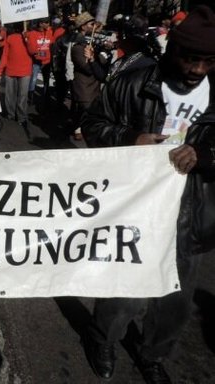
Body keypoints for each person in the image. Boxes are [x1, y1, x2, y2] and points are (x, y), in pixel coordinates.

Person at [80, 6, 215, 383]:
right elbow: (93, 124)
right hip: (138, 206)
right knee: (126, 286)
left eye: (208, 62)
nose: (198, 70)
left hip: (191, 212)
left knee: (176, 299)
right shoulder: (132, 83)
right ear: (173, 50)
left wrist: (204, 155)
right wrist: (130, 138)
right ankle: (103, 338)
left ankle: (153, 354)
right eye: (191, 59)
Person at [71, 12, 109, 139]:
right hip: (84, 86)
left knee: (89, 111)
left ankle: (81, 127)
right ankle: (79, 129)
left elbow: (101, 64)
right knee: (85, 110)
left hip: (94, 86)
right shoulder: (77, 47)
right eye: (91, 24)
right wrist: (95, 59)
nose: (95, 27)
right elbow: (87, 68)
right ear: (82, 27)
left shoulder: (92, 44)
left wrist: (103, 52)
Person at [0, 22, 33, 129]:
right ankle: (11, 115)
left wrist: (27, 39)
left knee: (22, 96)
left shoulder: (29, 36)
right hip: (11, 71)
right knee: (10, 95)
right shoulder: (10, 38)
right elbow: (5, 55)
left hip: (25, 71)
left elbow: (33, 51)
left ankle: (21, 117)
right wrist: (0, 71)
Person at [26, 18, 53, 107]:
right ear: (40, 24)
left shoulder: (49, 32)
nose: (48, 24)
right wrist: (42, 53)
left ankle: (46, 96)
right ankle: (31, 98)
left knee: (46, 80)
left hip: (47, 61)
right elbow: (32, 50)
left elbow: (51, 44)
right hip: (37, 62)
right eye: (46, 22)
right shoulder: (32, 34)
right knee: (33, 79)